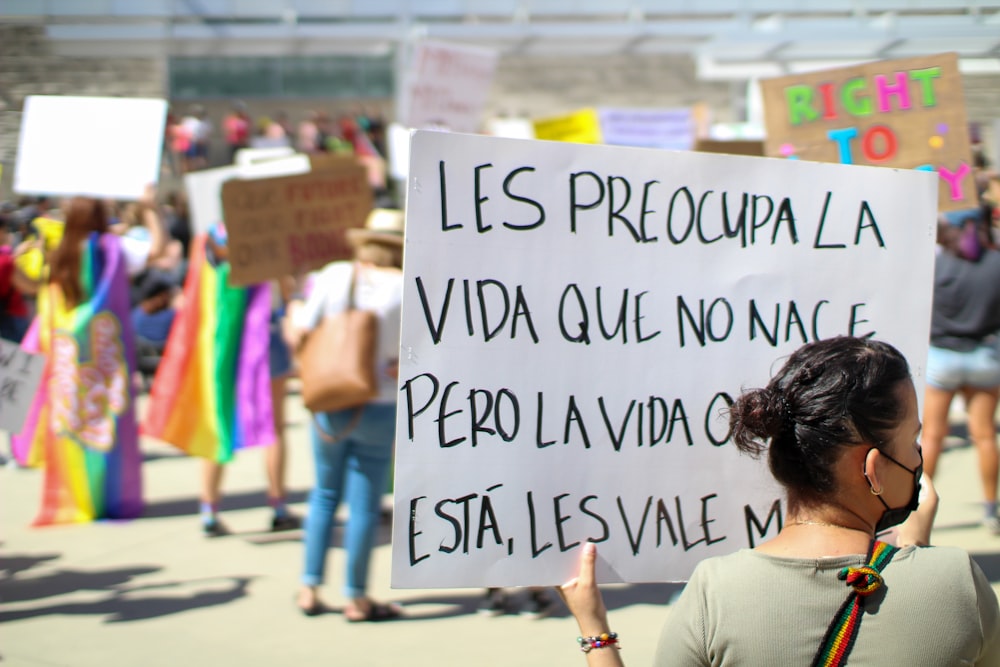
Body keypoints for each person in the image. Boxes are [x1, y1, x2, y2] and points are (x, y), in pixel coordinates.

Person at [559, 337, 1000, 666]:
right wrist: (913, 557)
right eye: (911, 441)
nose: (919, 456)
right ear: (874, 469)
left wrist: (596, 632)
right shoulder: (956, 581)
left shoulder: (715, 592)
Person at [13, 189, 168, 525]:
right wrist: (150, 210)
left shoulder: (59, 251)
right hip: (105, 351)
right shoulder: (110, 248)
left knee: (73, 425)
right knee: (107, 423)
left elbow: (28, 285)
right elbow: (157, 250)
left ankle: (76, 495)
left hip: (68, 353)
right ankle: (109, 496)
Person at [142, 224, 300, 536]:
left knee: (217, 420)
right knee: (275, 426)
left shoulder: (209, 238)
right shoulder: (269, 235)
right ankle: (278, 505)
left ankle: (209, 510)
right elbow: (285, 290)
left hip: (223, 338)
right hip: (264, 338)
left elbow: (196, 288)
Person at [286, 209, 404, 620]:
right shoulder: (407, 287)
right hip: (382, 400)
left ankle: (309, 587)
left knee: (322, 494)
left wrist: (293, 307)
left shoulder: (336, 275)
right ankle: (356, 596)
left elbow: (302, 329)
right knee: (365, 503)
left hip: (331, 397)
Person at [921, 208, 1000, 534]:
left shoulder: (934, 266)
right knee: (984, 434)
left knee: (932, 436)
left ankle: (918, 507)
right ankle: (990, 511)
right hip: (985, 357)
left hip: (942, 358)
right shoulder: (996, 263)